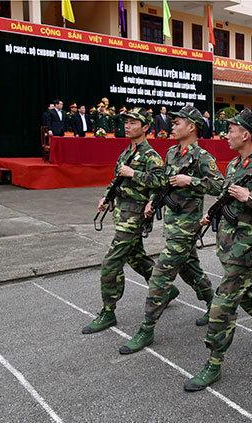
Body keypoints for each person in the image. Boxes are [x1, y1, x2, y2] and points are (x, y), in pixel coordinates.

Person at [184, 108, 252, 391]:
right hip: (229, 242)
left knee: (223, 302)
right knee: (246, 292)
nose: (227, 135)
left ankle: (214, 362)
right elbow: (227, 198)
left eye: (231, 130)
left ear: (246, 134)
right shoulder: (236, 165)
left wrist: (251, 196)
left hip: (248, 246)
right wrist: (211, 215)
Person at [118, 106, 223, 355]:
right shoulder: (172, 152)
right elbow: (164, 182)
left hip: (187, 225)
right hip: (172, 222)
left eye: (178, 122)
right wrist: (153, 201)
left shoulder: (202, 157)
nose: (173, 126)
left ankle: (147, 328)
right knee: (190, 269)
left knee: (160, 275)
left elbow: (220, 185)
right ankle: (212, 302)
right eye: (173, 122)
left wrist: (192, 181)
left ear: (192, 127)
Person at [82, 108, 166, 334]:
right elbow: (117, 179)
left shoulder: (151, 155)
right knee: (136, 256)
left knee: (111, 262)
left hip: (135, 215)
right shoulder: (126, 152)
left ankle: (108, 311)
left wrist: (134, 174)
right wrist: (107, 197)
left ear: (145, 127)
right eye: (126, 122)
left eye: (133, 122)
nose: (127, 125)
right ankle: (164, 289)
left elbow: (160, 183)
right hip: (121, 212)